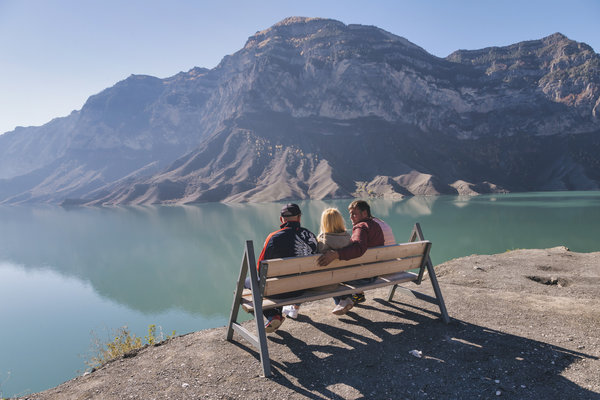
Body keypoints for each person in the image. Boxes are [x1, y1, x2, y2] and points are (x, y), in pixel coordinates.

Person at [247, 203, 318, 333]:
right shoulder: (310, 235)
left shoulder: (274, 237)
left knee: (249, 281)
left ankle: (272, 314)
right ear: (299, 217)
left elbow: (260, 268)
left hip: (281, 290)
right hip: (305, 287)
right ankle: (275, 314)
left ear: (281, 219)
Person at [317, 200, 387, 315]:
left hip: (363, 276)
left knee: (332, 276)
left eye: (354, 214)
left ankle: (343, 300)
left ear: (364, 213)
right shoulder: (375, 225)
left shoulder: (361, 227)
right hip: (375, 272)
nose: (351, 217)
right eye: (350, 214)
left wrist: (336, 254)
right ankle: (348, 299)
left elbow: (358, 249)